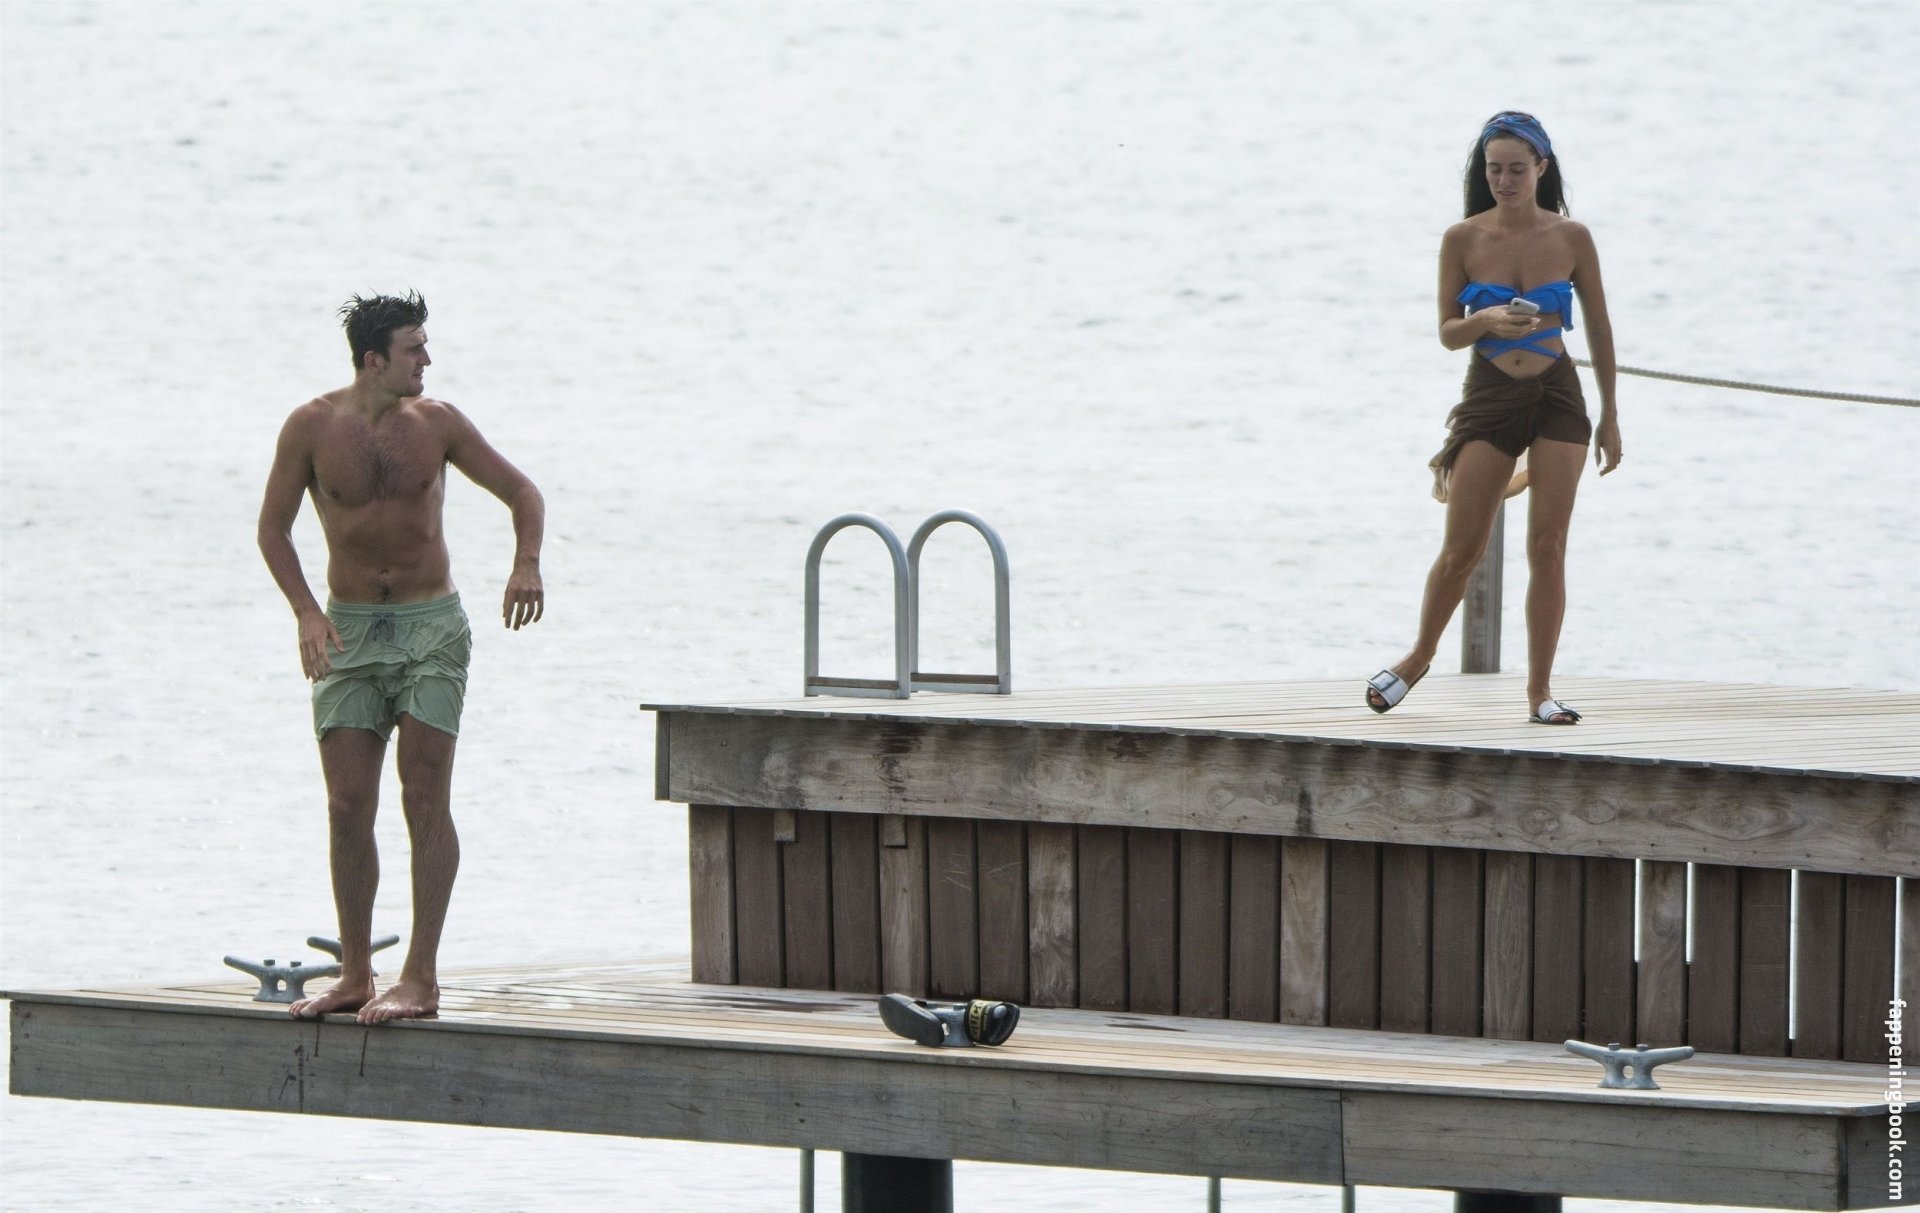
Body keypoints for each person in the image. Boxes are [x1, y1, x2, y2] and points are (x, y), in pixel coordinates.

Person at [257, 292, 545, 1023]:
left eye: (425, 346)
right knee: (348, 804)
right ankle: (356, 973)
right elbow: (272, 530)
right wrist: (307, 612)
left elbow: (522, 491)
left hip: (430, 630)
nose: (427, 360)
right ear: (372, 360)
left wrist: (526, 563)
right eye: (413, 349)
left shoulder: (438, 423)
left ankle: (421, 976)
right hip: (349, 633)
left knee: (424, 797)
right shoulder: (311, 426)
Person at [1365, 112, 1621, 724]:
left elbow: (1601, 327)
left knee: (1548, 546)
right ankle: (1419, 657)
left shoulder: (1572, 237)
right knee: (1463, 548)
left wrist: (1611, 415)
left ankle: (1540, 692)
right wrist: (1483, 320)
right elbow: (1448, 334)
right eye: (1494, 170)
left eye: (1516, 169)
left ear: (1541, 169)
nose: (1504, 181)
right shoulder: (1463, 238)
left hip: (1558, 393)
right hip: (1490, 393)